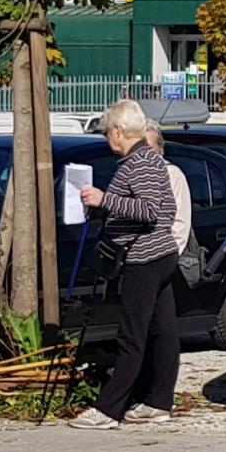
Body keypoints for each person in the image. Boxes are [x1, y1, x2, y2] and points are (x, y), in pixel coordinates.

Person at [70, 100, 179, 430]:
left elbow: (149, 210)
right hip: (161, 254)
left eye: (107, 132)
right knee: (163, 331)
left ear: (118, 131)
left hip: (143, 259)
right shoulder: (152, 158)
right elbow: (164, 208)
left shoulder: (139, 163)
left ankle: (109, 409)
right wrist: (107, 209)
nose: (107, 139)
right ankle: (158, 401)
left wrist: (104, 200)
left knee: (132, 335)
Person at [145, 122, 191, 259]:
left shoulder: (172, 174)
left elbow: (180, 224)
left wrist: (168, 259)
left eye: (149, 149)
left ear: (160, 149)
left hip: (162, 259)